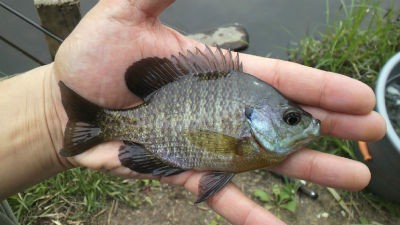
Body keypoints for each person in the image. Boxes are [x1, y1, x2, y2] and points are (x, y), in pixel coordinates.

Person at [0, 0, 386, 224]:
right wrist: (52, 114)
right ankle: (92, 122)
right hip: (148, 126)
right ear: (254, 120)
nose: (304, 125)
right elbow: (220, 150)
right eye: (290, 119)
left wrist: (48, 117)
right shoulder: (247, 139)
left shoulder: (253, 138)